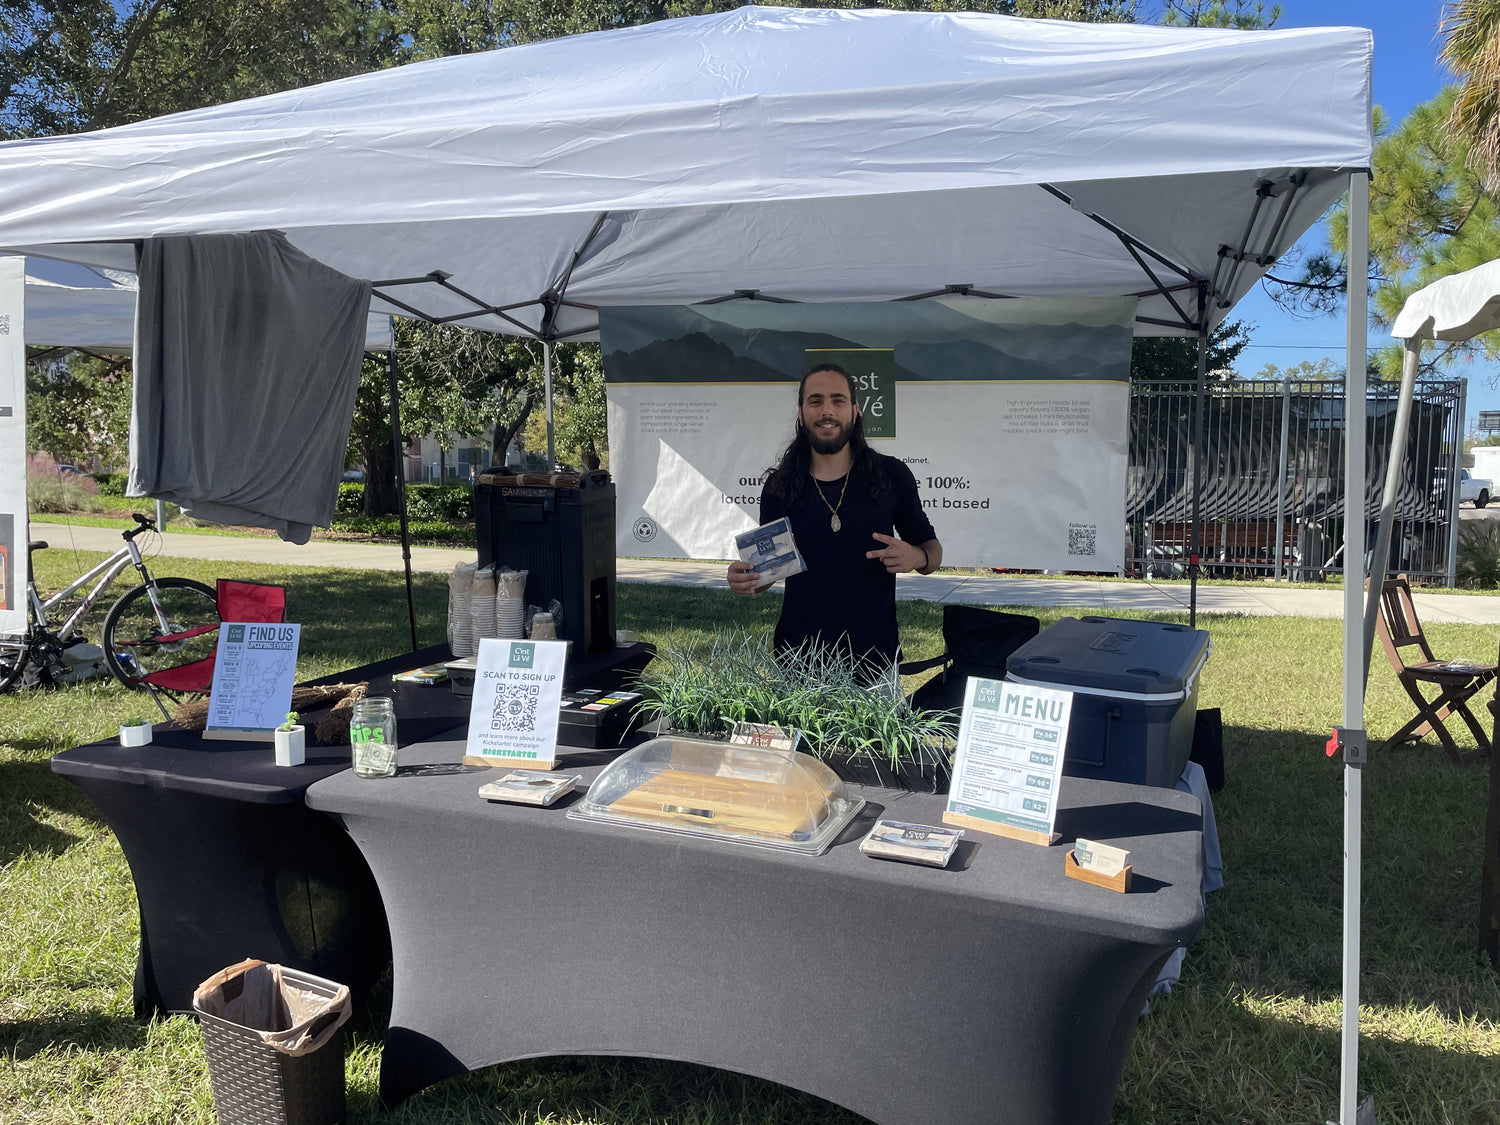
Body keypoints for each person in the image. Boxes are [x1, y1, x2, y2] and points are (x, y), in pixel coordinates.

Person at [726, 363, 942, 674]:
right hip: (796, 662)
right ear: (801, 413)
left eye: (838, 400)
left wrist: (917, 556)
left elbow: (933, 552)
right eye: (815, 401)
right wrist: (746, 579)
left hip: (874, 661)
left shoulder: (892, 475)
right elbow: (768, 571)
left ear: (854, 411)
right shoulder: (780, 486)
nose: (827, 410)